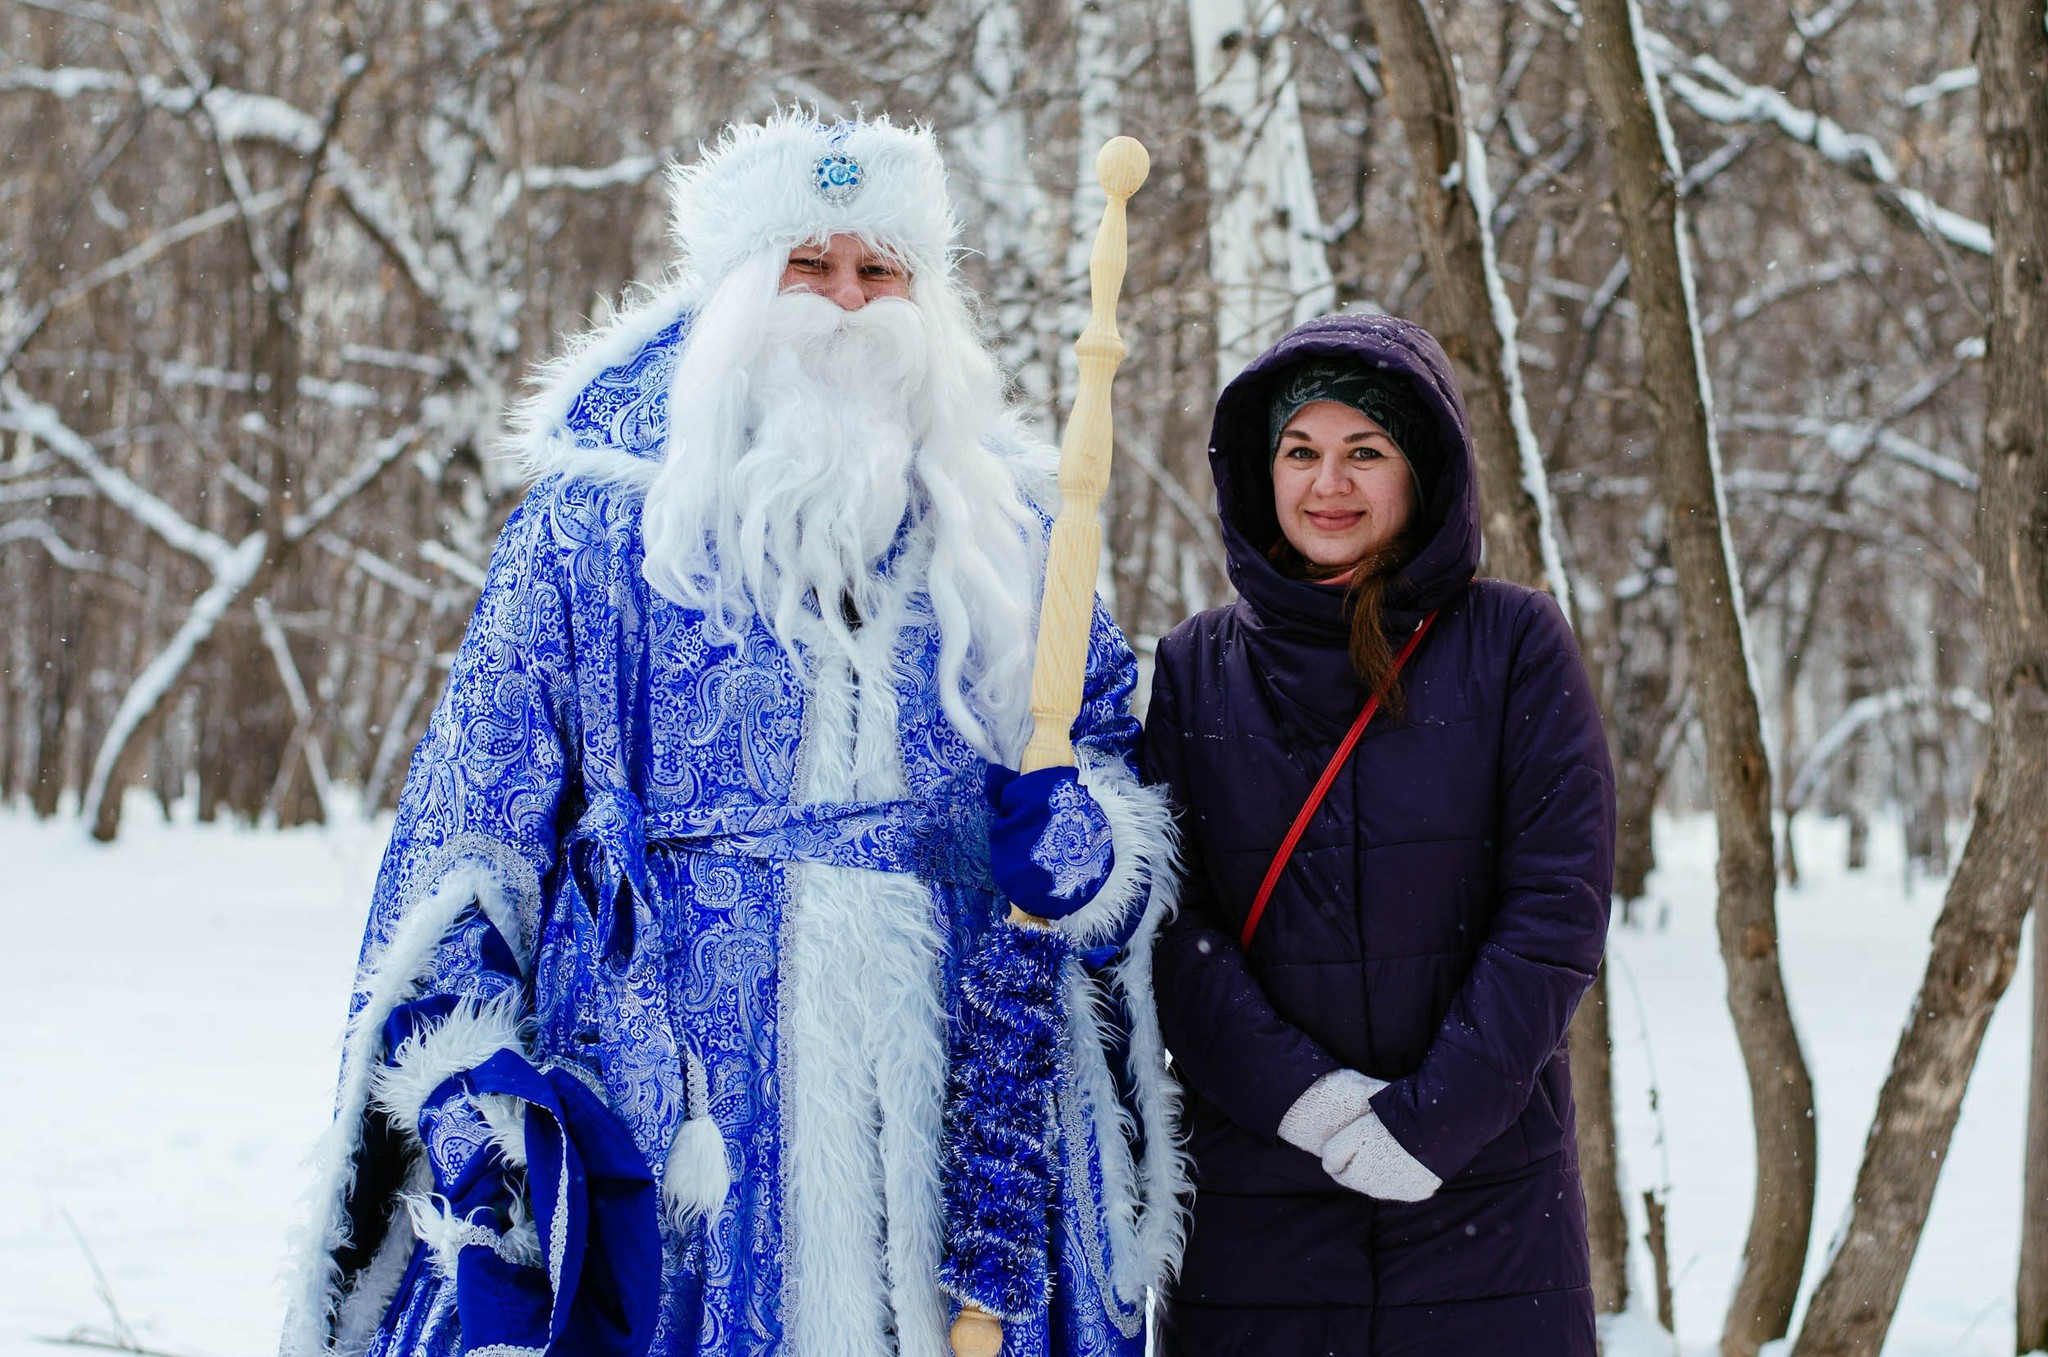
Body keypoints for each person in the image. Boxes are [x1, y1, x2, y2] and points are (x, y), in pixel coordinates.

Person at [280, 109, 1184, 1357]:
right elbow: (470, 830)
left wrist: (1089, 850)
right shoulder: (591, 526)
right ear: (735, 293)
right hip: (682, 1105)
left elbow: (1103, 766)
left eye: (880, 272)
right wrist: (471, 1103)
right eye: (808, 267)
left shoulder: (1014, 531)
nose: (847, 305)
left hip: (969, 1103)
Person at [1144, 313, 1615, 1355]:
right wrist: (1306, 1101)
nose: (1329, 484)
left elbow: (1556, 907)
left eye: (1366, 451)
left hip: (1485, 1202)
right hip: (1257, 1204)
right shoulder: (1194, 667)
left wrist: (1430, 1120)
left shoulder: (1513, 644)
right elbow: (1176, 928)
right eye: (1300, 452)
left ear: (1423, 470)